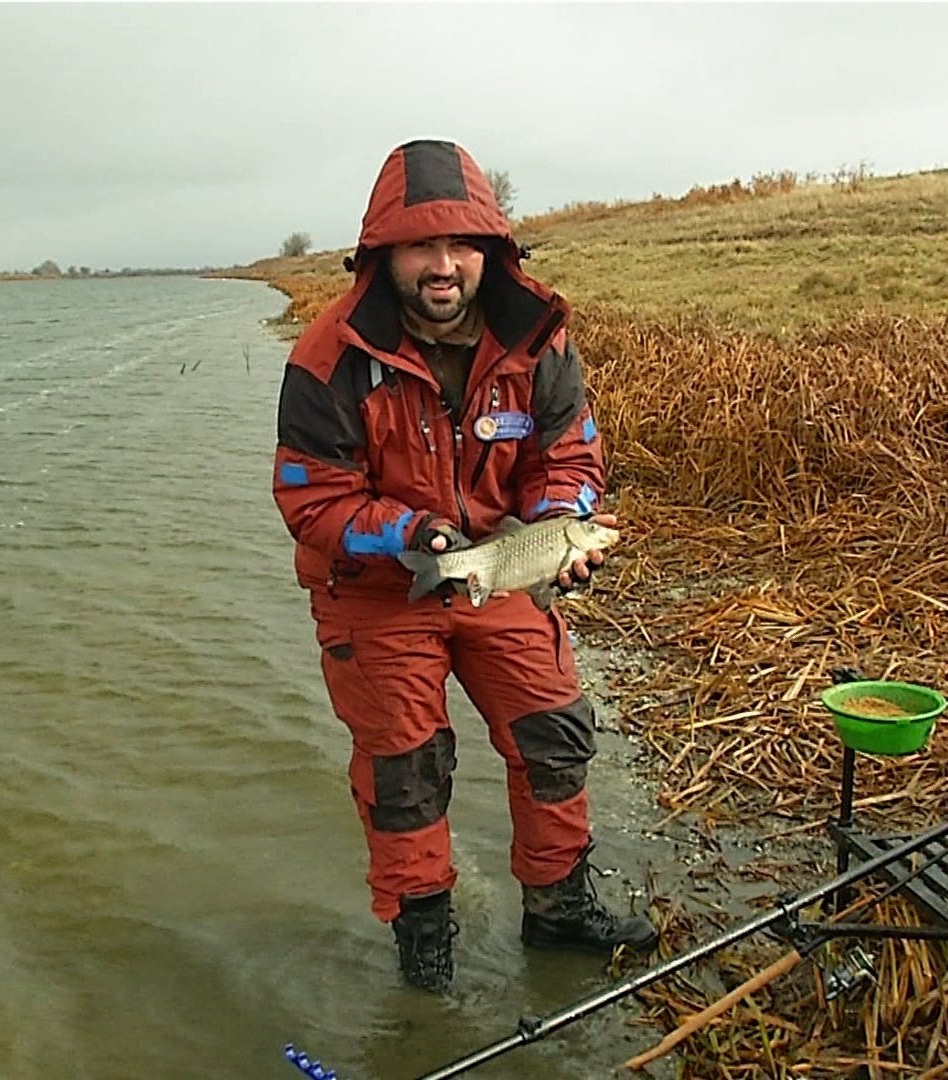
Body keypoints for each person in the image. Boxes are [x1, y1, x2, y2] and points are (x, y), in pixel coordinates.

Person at [272, 139, 659, 993]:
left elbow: (571, 460)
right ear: (382, 256)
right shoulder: (327, 358)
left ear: (491, 250)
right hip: (378, 590)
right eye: (421, 247)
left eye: (461, 246)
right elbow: (313, 500)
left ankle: (558, 910)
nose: (443, 266)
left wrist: (563, 528)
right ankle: (425, 943)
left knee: (556, 734)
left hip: (505, 568)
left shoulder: (537, 339)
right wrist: (414, 534)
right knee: (406, 771)